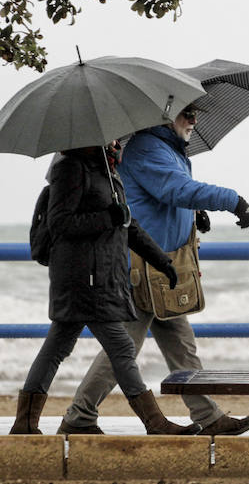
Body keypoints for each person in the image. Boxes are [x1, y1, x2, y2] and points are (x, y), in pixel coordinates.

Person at [57, 105, 249, 436]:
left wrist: (194, 215)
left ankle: (208, 417)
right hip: (140, 271)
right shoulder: (149, 148)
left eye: (195, 113)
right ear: (165, 115)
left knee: (180, 345)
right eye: (186, 113)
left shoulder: (166, 148)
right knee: (123, 350)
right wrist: (234, 200)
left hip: (161, 271)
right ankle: (79, 416)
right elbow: (175, 189)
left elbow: (161, 199)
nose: (193, 120)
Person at [11, 142, 200, 436]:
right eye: (113, 139)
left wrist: (162, 261)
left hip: (100, 276)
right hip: (84, 279)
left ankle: (25, 423)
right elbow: (61, 223)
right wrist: (108, 218)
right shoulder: (70, 167)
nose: (117, 143)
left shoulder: (107, 170)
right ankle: (155, 423)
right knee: (122, 348)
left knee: (56, 348)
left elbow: (128, 224)